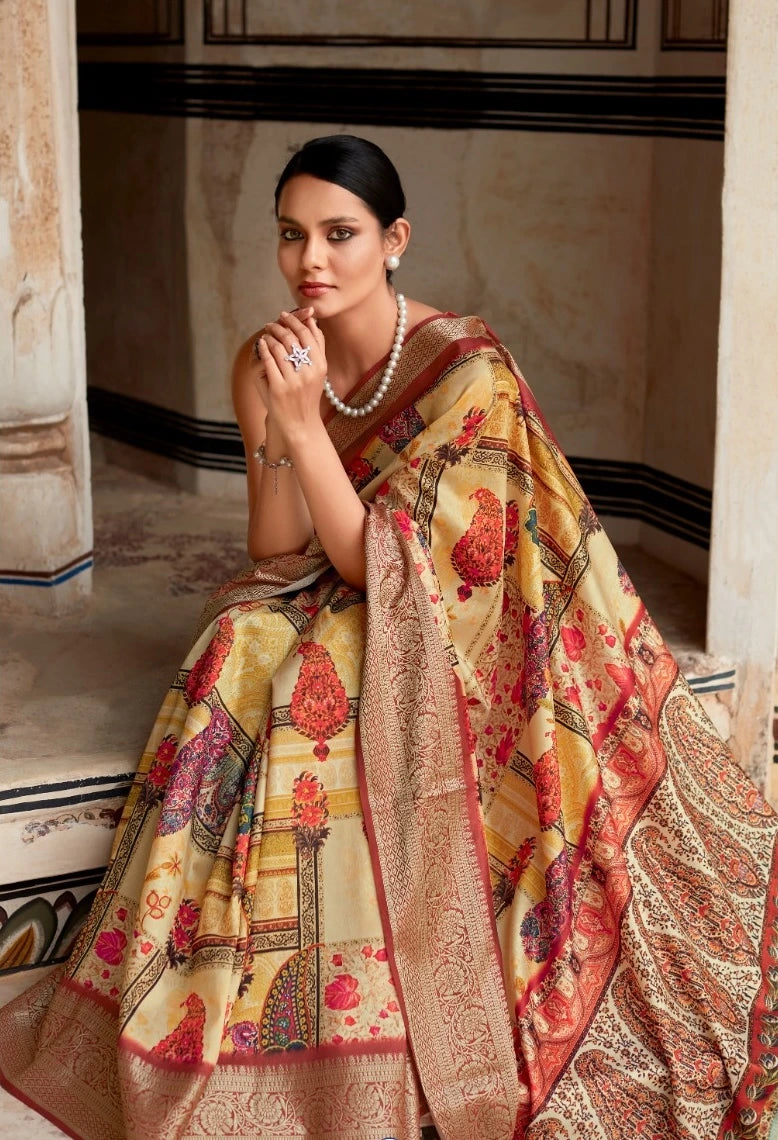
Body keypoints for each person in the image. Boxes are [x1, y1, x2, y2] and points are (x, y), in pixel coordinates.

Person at [0, 133, 777, 1140]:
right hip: (354, 577)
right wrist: (282, 416)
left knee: (313, 674)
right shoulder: (270, 359)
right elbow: (277, 550)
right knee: (236, 644)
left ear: (393, 241)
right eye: (292, 236)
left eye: (340, 235)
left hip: (475, 618)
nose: (312, 262)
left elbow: (406, 569)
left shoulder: (464, 366)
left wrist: (308, 428)